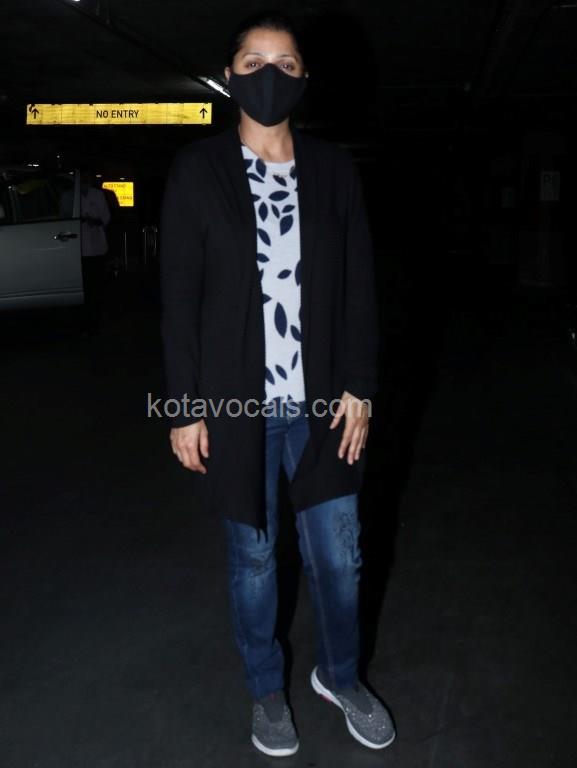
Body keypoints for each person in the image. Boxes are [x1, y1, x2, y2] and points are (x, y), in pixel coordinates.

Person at [159, 11, 395, 757]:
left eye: (286, 64)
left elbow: (359, 285)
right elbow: (179, 298)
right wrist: (184, 406)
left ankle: (340, 676)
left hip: (322, 404)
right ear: (228, 76)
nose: (270, 75)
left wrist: (360, 386)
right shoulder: (198, 171)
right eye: (254, 61)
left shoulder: (332, 170)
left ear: (304, 79)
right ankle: (266, 689)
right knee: (255, 560)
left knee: (340, 557)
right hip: (236, 407)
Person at [79, 169, 111, 334]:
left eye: (87, 177)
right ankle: (86, 318)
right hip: (80, 249)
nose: (86, 180)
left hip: (97, 247)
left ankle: (97, 318)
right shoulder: (72, 195)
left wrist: (93, 221)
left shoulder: (97, 195)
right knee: (85, 284)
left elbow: (106, 218)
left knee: (96, 284)